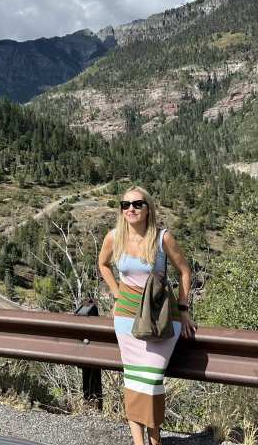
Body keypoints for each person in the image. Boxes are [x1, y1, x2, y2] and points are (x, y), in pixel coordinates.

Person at [98, 185, 197, 445]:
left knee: (151, 381)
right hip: (126, 317)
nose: (131, 208)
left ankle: (155, 440)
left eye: (137, 204)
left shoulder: (163, 238)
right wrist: (116, 293)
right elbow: (103, 264)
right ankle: (140, 443)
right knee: (133, 380)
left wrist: (184, 309)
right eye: (125, 204)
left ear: (148, 208)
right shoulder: (114, 237)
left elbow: (185, 272)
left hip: (161, 318)